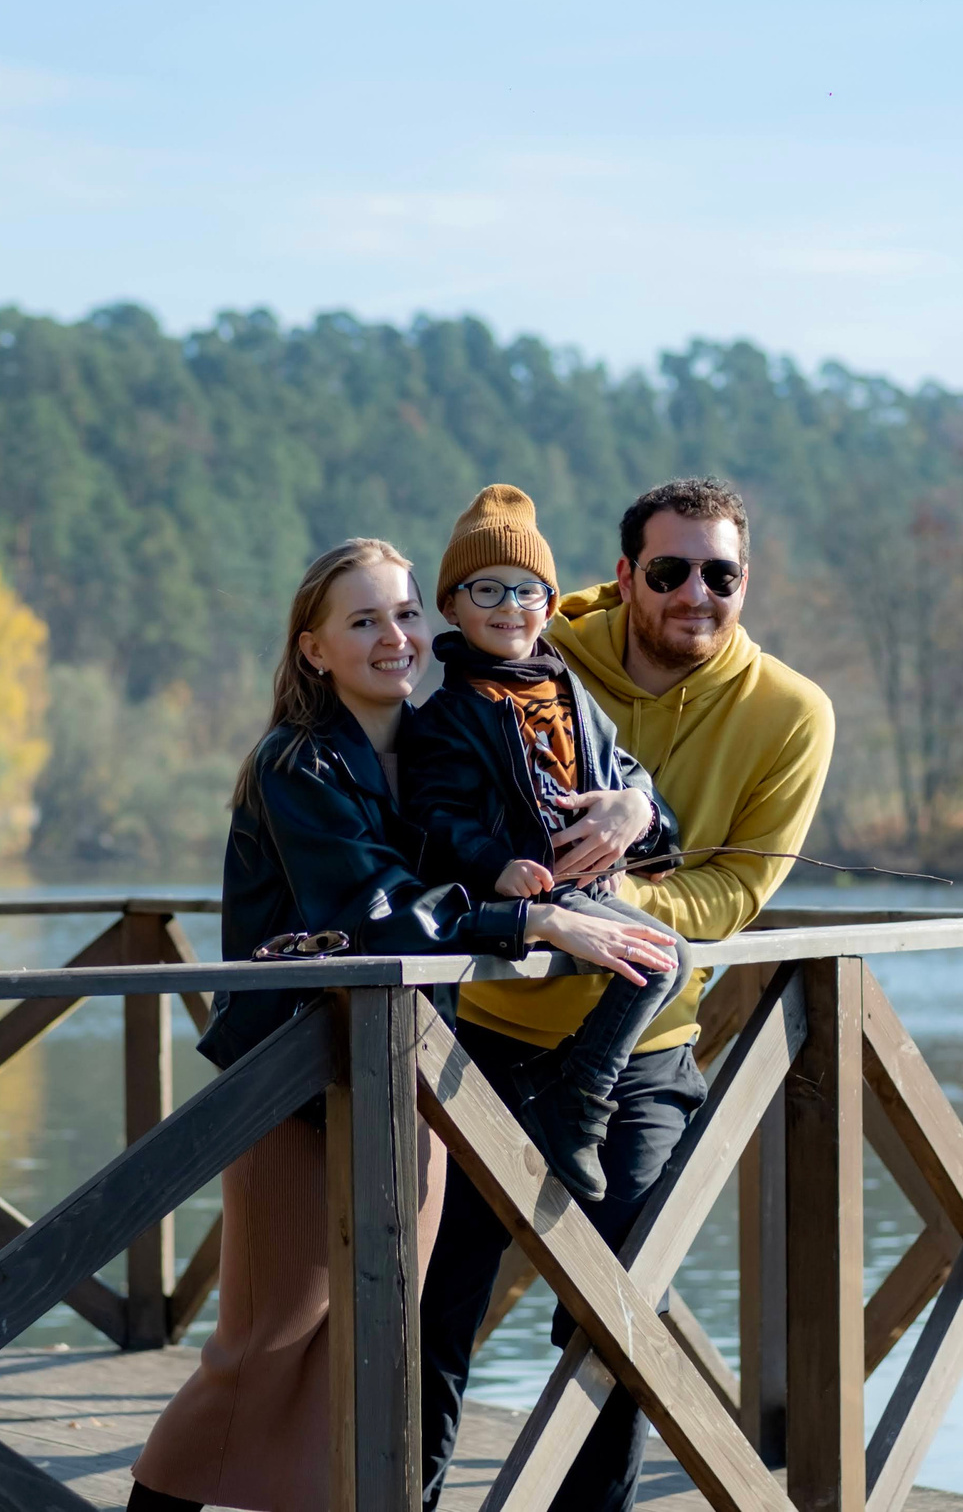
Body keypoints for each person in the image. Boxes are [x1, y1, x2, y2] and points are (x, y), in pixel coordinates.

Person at [128, 538, 677, 1512]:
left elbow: (559, 812)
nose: (397, 636)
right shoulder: (298, 762)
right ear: (313, 651)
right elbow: (369, 910)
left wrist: (632, 804)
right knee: (262, 1349)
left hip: (407, 1076)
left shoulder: (436, 741)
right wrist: (527, 919)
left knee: (369, 1352)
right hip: (295, 1086)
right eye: (364, 620)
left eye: (408, 612)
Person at [419, 477, 836, 1512]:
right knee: (426, 1313)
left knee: (613, 1312)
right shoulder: (534, 639)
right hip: (472, 1037)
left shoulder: (790, 713)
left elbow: (736, 887)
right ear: (622, 577)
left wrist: (614, 886)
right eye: (669, 571)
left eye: (721, 574)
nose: (696, 592)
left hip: (638, 1053)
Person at [400, 485, 695, 1203]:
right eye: (488, 589)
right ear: (453, 606)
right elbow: (436, 818)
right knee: (667, 959)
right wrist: (496, 865)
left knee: (670, 957)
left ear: (552, 604)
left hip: (589, 890)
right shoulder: (449, 713)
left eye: (529, 589)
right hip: (529, 897)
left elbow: (644, 798)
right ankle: (582, 1098)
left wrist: (637, 807)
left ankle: (576, 1088)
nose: (510, 606)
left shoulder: (570, 693)